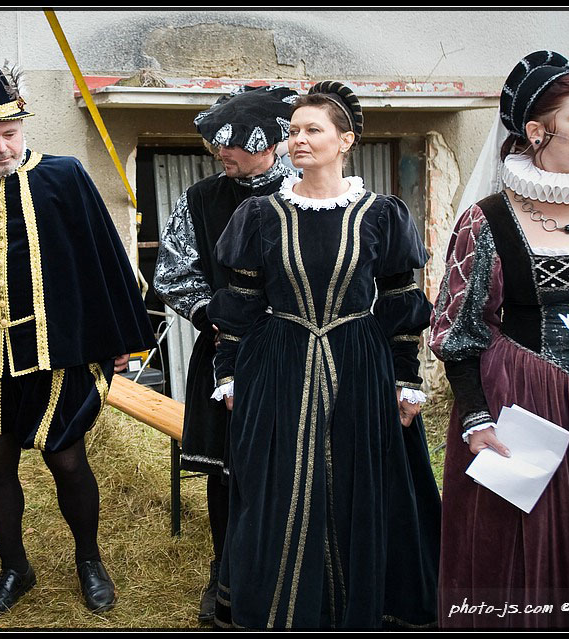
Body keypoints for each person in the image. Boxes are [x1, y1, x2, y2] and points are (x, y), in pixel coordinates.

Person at [0, 65, 156, 619]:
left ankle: (89, 560)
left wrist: (119, 338)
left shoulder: (64, 175)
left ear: (23, 126)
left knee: (67, 459)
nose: (0, 148)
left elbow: (101, 257)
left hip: (57, 351)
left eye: (9, 133)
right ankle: (14, 568)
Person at [207, 82, 440, 629]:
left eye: (313, 130)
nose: (299, 140)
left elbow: (401, 304)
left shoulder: (382, 214)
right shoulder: (261, 215)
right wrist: (228, 374)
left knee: (360, 487)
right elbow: (240, 303)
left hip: (360, 365)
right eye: (293, 131)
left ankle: (359, 610)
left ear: (346, 140)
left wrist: (407, 380)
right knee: (280, 491)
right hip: (280, 365)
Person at [429, 51, 569, 629]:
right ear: (537, 130)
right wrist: (476, 417)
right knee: (529, 555)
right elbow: (460, 330)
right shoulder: (490, 219)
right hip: (527, 406)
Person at [153, 84, 297, 624]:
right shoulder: (201, 199)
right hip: (224, 357)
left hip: (298, 358)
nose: (221, 152)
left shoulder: (306, 194)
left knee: (295, 465)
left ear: (269, 144)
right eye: (217, 142)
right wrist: (215, 318)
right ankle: (226, 572)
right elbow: (173, 273)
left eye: (232, 144)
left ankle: (291, 568)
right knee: (227, 474)